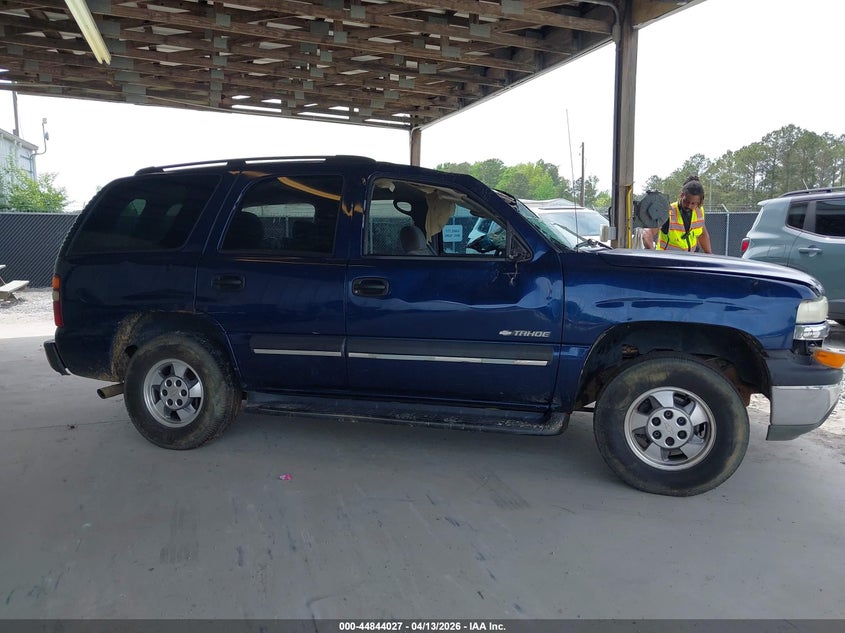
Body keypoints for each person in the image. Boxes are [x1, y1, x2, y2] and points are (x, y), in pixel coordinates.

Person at [643, 176, 713, 253]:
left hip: (689, 259)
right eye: (686, 201)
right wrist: (654, 256)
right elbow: (647, 233)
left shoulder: (699, 211)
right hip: (668, 260)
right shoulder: (668, 211)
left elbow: (702, 234)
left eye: (693, 203)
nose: (689, 206)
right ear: (681, 195)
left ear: (699, 202)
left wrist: (709, 254)